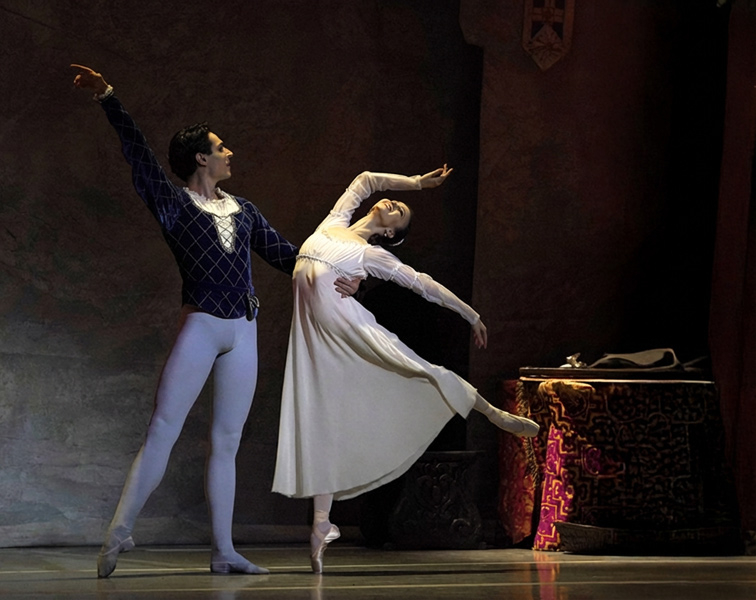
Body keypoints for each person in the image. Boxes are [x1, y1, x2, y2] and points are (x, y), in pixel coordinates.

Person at [70, 64, 359, 577]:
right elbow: (139, 155)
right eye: (221, 147)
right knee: (163, 427)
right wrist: (108, 97)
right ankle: (120, 528)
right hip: (202, 326)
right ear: (201, 157)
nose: (230, 153)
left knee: (226, 443)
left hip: (243, 330)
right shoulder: (174, 205)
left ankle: (224, 550)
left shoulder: (245, 211)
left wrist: (340, 274)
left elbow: (289, 256)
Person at [271, 167, 539, 573]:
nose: (395, 205)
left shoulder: (371, 255)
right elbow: (365, 180)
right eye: (398, 204)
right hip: (316, 336)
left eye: (400, 213)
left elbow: (422, 284)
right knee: (321, 418)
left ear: (389, 233)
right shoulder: (333, 222)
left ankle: (488, 410)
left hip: (349, 327)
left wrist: (470, 314)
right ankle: (322, 524)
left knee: (418, 369)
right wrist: (416, 184)